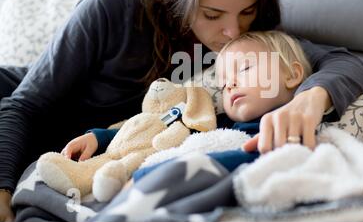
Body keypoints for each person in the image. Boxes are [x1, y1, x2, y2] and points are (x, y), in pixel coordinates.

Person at [0, 0, 363, 222]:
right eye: (212, 15)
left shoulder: (252, 44)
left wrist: (309, 101)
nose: (232, 32)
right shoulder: (115, 8)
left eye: (247, 12)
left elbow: (343, 61)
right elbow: (24, 105)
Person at [61, 30, 313, 183]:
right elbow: (156, 129)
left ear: (291, 75)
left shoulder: (292, 127)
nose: (231, 84)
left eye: (245, 68)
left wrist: (156, 177)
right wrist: (100, 137)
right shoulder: (215, 123)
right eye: (224, 84)